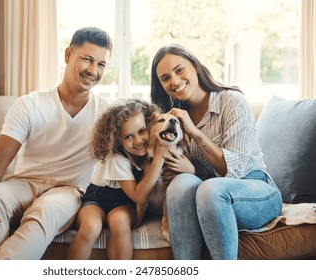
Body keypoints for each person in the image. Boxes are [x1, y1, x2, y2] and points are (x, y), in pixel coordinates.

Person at [0, 27, 113, 260]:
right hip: (23, 182)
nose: (93, 70)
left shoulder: (106, 114)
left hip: (67, 190)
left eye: (101, 64)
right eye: (87, 59)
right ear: (68, 55)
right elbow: (1, 156)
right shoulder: (31, 104)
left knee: (46, 209)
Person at [150, 44, 283, 260]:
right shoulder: (174, 118)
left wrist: (192, 131)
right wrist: (189, 170)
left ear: (194, 66)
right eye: (165, 78)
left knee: (210, 189)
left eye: (179, 70)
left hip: (255, 191)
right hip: (209, 196)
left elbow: (230, 169)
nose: (174, 81)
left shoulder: (231, 101)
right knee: (182, 184)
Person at [66, 99, 178, 260]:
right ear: (117, 140)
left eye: (141, 131)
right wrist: (160, 156)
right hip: (98, 200)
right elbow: (138, 196)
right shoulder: (116, 159)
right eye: (128, 137)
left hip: (124, 205)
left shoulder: (149, 154)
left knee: (120, 221)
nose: (138, 141)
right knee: (91, 226)